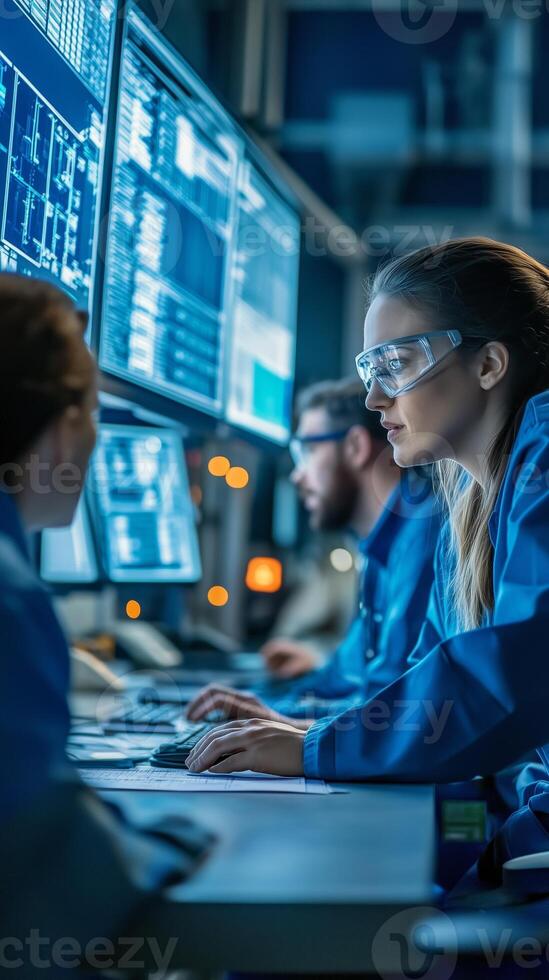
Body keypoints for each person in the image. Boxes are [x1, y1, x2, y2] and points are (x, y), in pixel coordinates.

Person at [184, 237, 549, 830]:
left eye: (397, 365)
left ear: (488, 365)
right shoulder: (470, 510)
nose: (375, 398)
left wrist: (311, 749)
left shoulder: (545, 460)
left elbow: (509, 676)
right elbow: (425, 682)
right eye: (370, 370)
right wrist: (313, 734)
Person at [0, 275, 213, 977]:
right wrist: (164, 843)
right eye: (94, 410)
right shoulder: (11, 600)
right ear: (65, 426)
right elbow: (48, 863)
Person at [187, 377, 443, 727]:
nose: (296, 475)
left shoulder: (424, 538)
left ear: (355, 446)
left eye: (305, 450)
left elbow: (390, 711)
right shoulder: (382, 547)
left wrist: (280, 721)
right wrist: (269, 705)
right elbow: (352, 678)